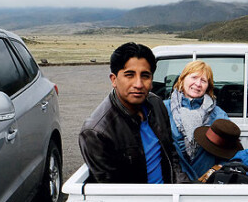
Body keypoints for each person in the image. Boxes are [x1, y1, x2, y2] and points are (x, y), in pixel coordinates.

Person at [79, 42, 186, 184]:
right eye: (129, 75)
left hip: (169, 196)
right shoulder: (96, 132)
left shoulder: (156, 104)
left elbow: (171, 153)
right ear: (114, 79)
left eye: (145, 76)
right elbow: (112, 190)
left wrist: (181, 187)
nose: (138, 84)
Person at [164, 60, 230, 180]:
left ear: (208, 86)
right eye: (194, 77)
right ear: (182, 79)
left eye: (203, 81)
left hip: (206, 186)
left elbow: (230, 154)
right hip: (172, 184)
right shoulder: (163, 109)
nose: (198, 84)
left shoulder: (219, 115)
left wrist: (216, 171)